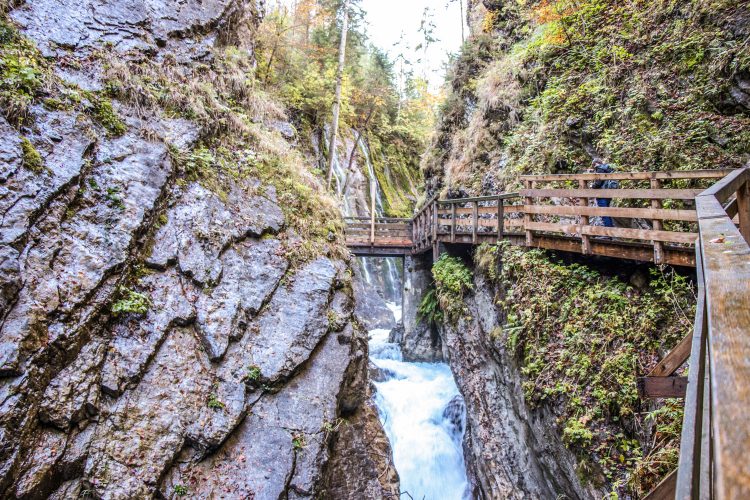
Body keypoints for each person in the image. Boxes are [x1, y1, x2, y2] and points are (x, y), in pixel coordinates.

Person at [590, 159, 618, 228]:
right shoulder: (608, 168)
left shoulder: (600, 169)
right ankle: (610, 232)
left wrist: (592, 186)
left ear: (596, 163)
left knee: (604, 213)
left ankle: (608, 233)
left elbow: (598, 184)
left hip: (602, 194)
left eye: (593, 165)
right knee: (607, 212)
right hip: (608, 193)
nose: (594, 167)